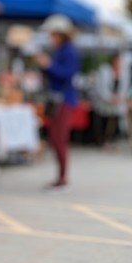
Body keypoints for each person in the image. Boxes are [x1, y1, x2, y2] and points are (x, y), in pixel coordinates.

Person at [37, 15, 81, 190]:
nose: (50, 38)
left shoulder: (69, 51)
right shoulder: (62, 50)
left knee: (59, 138)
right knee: (55, 137)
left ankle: (63, 177)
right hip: (58, 99)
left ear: (60, 34)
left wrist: (48, 65)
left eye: (52, 35)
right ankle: (60, 176)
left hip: (64, 100)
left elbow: (66, 74)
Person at [93, 53, 128, 149]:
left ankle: (111, 140)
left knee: (114, 122)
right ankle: (102, 141)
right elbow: (101, 88)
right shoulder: (104, 71)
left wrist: (119, 98)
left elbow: (124, 88)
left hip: (117, 103)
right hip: (105, 101)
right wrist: (110, 98)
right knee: (104, 121)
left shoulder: (124, 73)